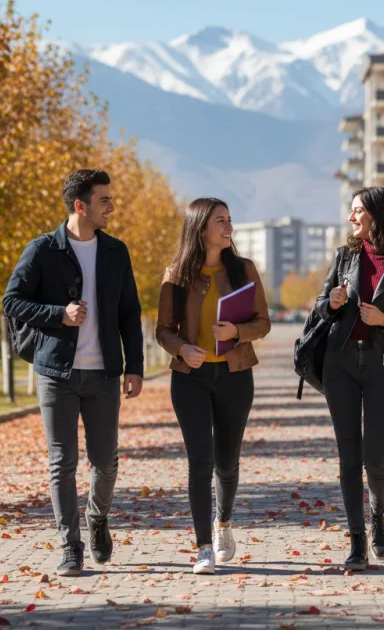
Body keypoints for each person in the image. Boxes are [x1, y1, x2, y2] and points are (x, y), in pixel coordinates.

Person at [3, 169, 144, 576]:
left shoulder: (116, 251)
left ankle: (97, 517)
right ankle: (71, 546)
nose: (112, 207)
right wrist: (58, 315)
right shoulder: (43, 250)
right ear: (80, 205)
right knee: (61, 463)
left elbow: (129, 312)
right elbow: (12, 301)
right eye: (104, 200)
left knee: (106, 462)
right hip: (56, 373)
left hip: (103, 374)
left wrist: (134, 365)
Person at [156, 198, 270, 575]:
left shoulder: (244, 269)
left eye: (230, 219)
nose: (229, 226)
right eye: (221, 220)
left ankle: (223, 525)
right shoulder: (176, 274)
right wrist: (182, 348)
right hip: (190, 379)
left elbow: (263, 323)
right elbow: (163, 330)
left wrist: (237, 331)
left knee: (226, 461)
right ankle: (203, 546)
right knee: (200, 461)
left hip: (235, 375)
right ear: (201, 227)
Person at [315, 186, 384, 571]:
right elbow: (319, 305)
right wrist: (330, 302)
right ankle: (357, 540)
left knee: (375, 457)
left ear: (377, 215)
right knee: (349, 457)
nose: (351, 217)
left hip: (383, 367)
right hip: (339, 364)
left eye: (357, 210)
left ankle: (378, 514)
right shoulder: (345, 257)